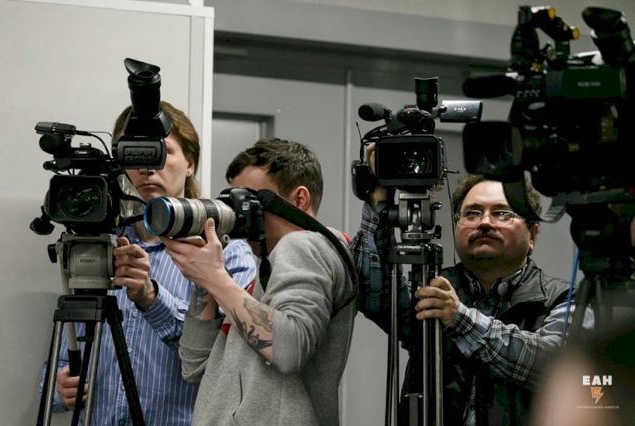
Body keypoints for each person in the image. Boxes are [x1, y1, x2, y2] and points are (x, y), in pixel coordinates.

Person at [39, 101, 257, 425]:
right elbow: (65, 354)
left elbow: (227, 361)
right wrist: (58, 388)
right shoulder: (98, 245)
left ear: (190, 163)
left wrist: (151, 298)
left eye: (160, 152)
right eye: (133, 154)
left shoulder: (226, 251)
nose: (146, 167)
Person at [352, 169, 580, 425]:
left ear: (533, 236)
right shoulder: (432, 286)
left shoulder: (563, 297)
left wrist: (460, 319)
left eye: (502, 213)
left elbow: (552, 366)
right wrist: (378, 201)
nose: (484, 222)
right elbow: (375, 295)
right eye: (472, 213)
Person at [163, 138, 356, 426]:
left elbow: (289, 349)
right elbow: (195, 366)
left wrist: (215, 278)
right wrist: (205, 282)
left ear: (299, 200)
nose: (242, 215)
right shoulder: (265, 266)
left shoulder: (304, 246)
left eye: (251, 201)